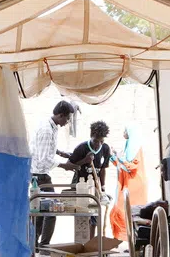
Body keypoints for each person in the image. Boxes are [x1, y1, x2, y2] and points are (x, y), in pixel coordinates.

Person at [30, 100, 77, 247]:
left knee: (40, 210)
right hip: (39, 174)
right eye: (67, 118)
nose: (67, 122)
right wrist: (65, 166)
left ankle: (35, 244)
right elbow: (44, 159)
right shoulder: (46, 130)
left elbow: (48, 147)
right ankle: (43, 245)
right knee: (52, 209)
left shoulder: (52, 126)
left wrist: (62, 153)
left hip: (41, 173)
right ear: (60, 115)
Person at [109, 125, 148, 241]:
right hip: (127, 183)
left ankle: (131, 239)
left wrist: (119, 158)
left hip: (134, 185)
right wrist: (113, 156)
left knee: (129, 212)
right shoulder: (128, 149)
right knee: (121, 210)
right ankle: (124, 239)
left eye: (125, 131)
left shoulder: (135, 150)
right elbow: (122, 165)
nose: (123, 133)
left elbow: (131, 166)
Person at [66, 121, 112, 190]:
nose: (98, 144)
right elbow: (68, 166)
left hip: (95, 186)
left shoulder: (105, 148)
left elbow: (103, 169)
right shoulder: (81, 148)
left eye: (101, 141)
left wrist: (102, 187)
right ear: (91, 136)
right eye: (95, 141)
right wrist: (85, 160)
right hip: (79, 184)